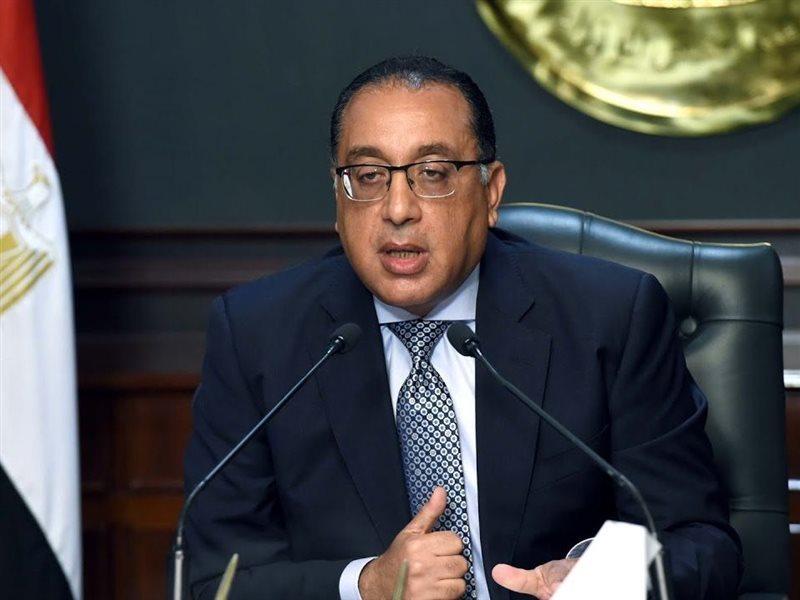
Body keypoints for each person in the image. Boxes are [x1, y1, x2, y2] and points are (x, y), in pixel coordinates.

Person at [184, 56, 742, 599]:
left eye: (432, 174)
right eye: (368, 176)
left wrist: (597, 581)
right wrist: (365, 584)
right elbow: (212, 580)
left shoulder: (609, 317)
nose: (397, 209)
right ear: (338, 198)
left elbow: (699, 542)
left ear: (491, 192)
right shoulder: (259, 336)